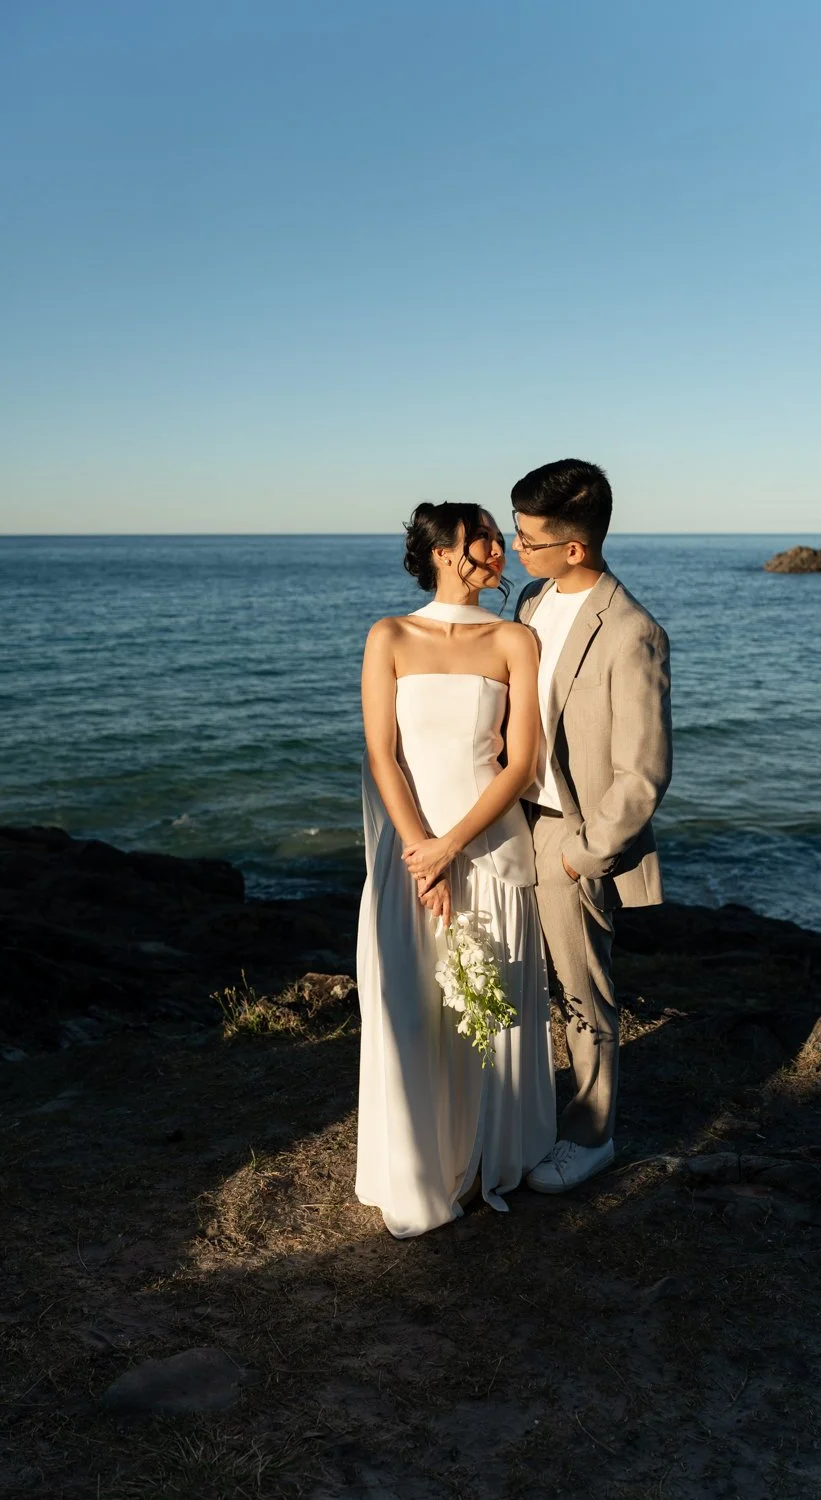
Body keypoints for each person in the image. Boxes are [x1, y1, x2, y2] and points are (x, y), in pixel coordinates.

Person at [355, 502, 556, 1237]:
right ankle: (419, 1163)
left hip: (488, 844)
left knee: (488, 1007)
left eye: (501, 539)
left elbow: (521, 760)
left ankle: (484, 1156)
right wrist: (419, 852)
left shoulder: (516, 638)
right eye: (485, 540)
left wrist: (452, 847)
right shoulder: (391, 636)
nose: (502, 549)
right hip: (410, 853)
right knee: (413, 1008)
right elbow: (383, 754)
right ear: (443, 553)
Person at [511, 459, 672, 1193]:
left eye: (529, 539)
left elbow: (643, 773)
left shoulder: (632, 631)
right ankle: (519, 1115)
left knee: (583, 992)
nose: (515, 550)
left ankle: (593, 1132)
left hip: (567, 839)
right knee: (516, 982)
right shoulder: (529, 601)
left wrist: (581, 857)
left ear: (575, 547)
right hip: (510, 822)